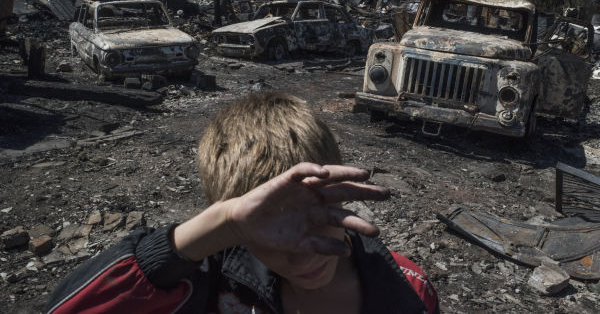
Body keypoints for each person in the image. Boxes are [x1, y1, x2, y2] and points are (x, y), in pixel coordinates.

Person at [45, 92, 438, 314]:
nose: (302, 257)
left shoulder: (407, 289)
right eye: (272, 233)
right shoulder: (210, 277)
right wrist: (221, 226)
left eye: (311, 217)